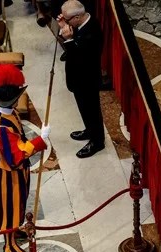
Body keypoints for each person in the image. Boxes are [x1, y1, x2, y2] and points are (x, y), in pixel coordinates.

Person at [0, 64, 50, 252]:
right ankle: (9, 244)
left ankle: (14, 230)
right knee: (9, 208)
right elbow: (15, 157)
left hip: (17, 171)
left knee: (18, 203)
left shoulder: (6, 111)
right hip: (8, 171)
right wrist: (39, 141)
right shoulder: (1, 126)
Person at [56, 0, 104, 159]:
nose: (66, 22)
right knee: (83, 108)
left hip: (88, 79)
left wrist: (68, 39)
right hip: (78, 78)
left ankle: (97, 142)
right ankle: (89, 130)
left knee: (92, 111)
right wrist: (64, 27)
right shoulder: (79, 24)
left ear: (77, 17)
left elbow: (79, 58)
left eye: (67, 20)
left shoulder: (92, 31)